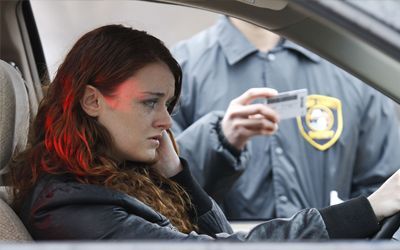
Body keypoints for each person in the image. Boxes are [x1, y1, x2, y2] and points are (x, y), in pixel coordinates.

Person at [8, 24, 400, 241]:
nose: (166, 121)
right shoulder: (71, 206)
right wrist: (368, 208)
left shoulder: (107, 182)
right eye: (150, 102)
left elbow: (219, 238)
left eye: (169, 105)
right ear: (92, 101)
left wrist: (179, 175)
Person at [170, 16, 400, 219]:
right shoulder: (182, 68)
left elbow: (385, 185)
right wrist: (220, 141)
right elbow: (162, 187)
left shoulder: (349, 66)